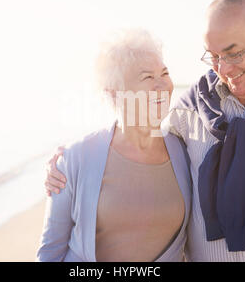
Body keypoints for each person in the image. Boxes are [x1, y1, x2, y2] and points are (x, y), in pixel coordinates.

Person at [44, 0, 245, 262]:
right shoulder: (192, 107)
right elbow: (135, 126)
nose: (223, 69)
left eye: (233, 53)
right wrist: (66, 158)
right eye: (213, 57)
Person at [37, 29, 192, 262]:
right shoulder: (74, 158)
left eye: (165, 73)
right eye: (147, 77)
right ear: (115, 94)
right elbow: (50, 252)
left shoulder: (185, 149)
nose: (162, 86)